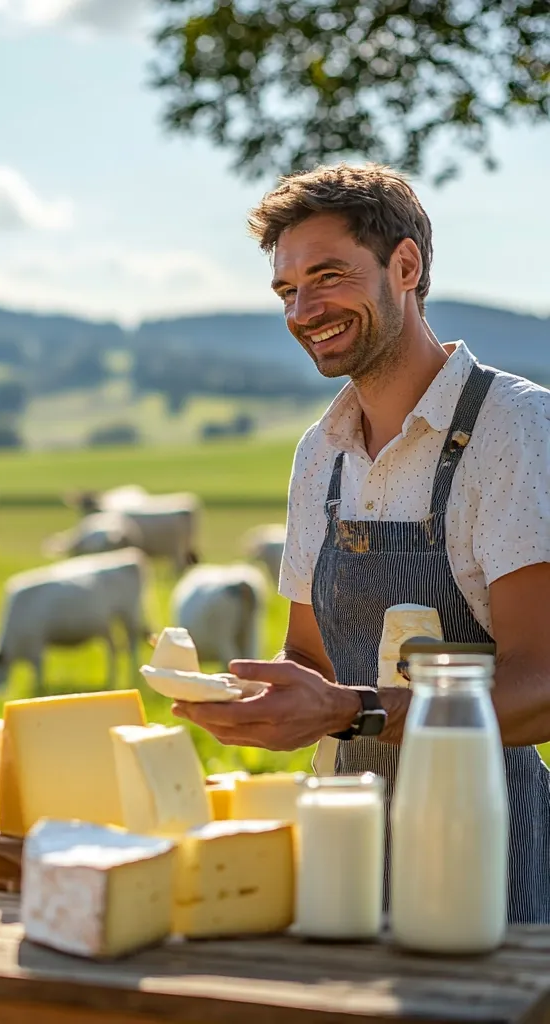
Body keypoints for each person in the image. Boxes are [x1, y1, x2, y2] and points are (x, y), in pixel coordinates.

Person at [173, 163, 550, 923]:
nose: (305, 309)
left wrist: (352, 710)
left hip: (485, 840)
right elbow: (311, 659)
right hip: (343, 836)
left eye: (329, 275)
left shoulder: (517, 428)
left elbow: (542, 681)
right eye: (287, 290)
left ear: (404, 267)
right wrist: (244, 696)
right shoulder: (321, 451)